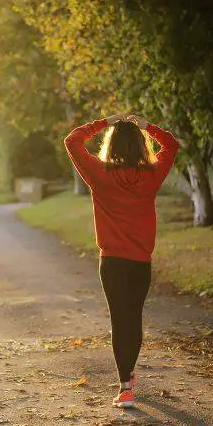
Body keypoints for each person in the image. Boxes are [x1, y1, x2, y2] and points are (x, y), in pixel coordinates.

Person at [64, 113, 180, 408]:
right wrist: (147, 127)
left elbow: (73, 141)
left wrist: (104, 122)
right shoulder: (151, 176)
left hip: (112, 263)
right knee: (134, 318)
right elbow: (172, 145)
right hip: (140, 262)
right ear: (141, 146)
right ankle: (128, 375)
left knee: (120, 319)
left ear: (111, 145)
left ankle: (125, 386)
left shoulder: (100, 175)